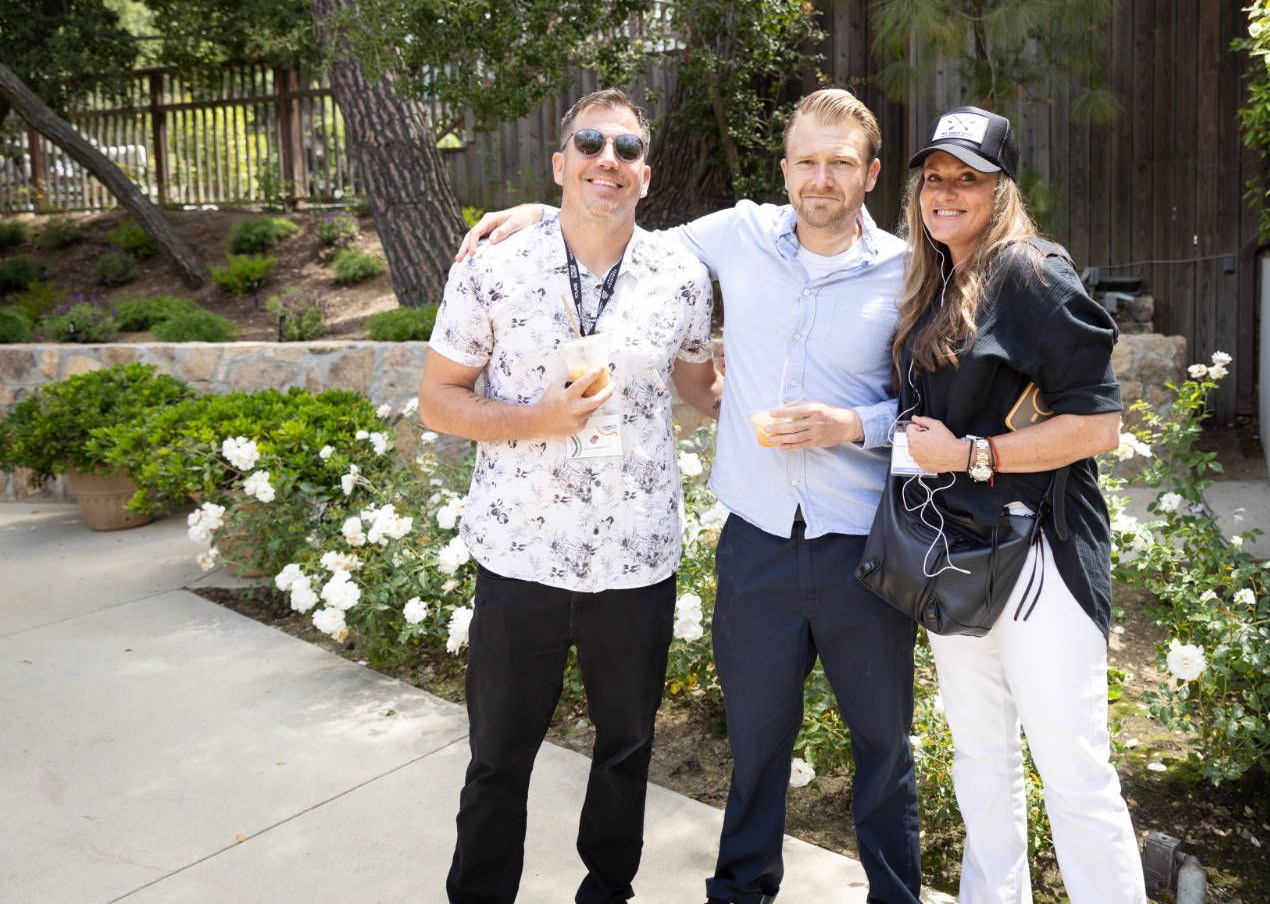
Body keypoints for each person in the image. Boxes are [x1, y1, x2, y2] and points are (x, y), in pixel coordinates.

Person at [458, 88, 923, 904]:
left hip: (863, 546)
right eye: (807, 160)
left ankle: (897, 896)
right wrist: (543, 205)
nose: (821, 177)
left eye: (840, 163)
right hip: (758, 546)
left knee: (884, 747)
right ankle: (742, 894)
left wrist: (854, 423)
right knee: (756, 745)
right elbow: (615, 222)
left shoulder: (910, 269)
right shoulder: (733, 237)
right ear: (785, 169)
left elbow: (932, 404)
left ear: (871, 173)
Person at [419, 87, 722, 904]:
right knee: (497, 758)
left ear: (646, 176)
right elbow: (439, 398)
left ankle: (606, 894)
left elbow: (705, 385)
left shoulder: (682, 275)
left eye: (625, 150)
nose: (607, 161)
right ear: (560, 163)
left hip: (637, 558)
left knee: (626, 748)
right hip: (521, 555)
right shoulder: (494, 265)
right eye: (590, 144)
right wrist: (537, 418)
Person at [896, 106, 1146, 903]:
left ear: (1000, 189)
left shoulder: (1033, 274)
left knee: (1073, 773)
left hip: (1039, 554)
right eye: (934, 176)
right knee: (981, 762)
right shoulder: (936, 280)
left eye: (967, 177)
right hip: (961, 556)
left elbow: (1101, 425)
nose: (945, 191)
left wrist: (971, 456)